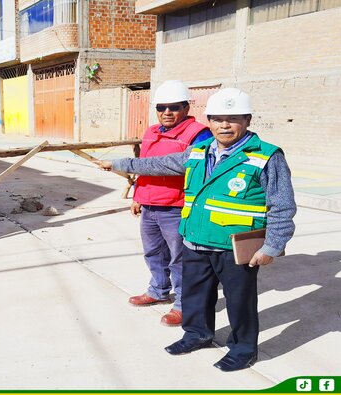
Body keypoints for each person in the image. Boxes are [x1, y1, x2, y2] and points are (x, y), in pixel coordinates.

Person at [95, 88, 296, 371]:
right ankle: (196, 334)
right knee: (194, 295)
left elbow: (283, 205)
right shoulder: (199, 151)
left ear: (247, 120)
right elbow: (158, 163)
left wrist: (272, 246)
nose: (224, 125)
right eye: (217, 119)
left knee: (240, 303)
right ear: (210, 121)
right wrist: (118, 164)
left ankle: (242, 349)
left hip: (233, 247)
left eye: (232, 118)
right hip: (194, 240)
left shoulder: (266, 156)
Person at [128, 80, 212, 329]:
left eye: (174, 107)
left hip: (177, 207)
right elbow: (144, 166)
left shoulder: (199, 134)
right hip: (150, 205)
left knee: (180, 259)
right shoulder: (151, 132)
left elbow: (198, 172)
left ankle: (184, 305)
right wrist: (137, 195)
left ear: (186, 107)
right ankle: (158, 290)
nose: (167, 112)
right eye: (161, 107)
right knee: (153, 252)